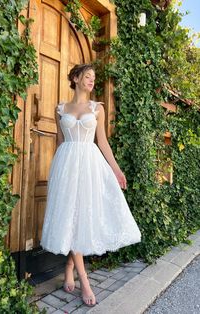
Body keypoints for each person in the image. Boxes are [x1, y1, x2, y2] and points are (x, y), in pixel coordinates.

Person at [40, 63, 141, 307]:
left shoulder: (97, 109)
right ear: (75, 78)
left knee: (82, 217)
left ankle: (71, 266)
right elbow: (60, 141)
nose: (91, 81)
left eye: (93, 78)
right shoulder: (60, 108)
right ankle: (84, 281)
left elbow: (103, 142)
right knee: (69, 216)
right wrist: (57, 172)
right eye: (87, 76)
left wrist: (117, 171)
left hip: (89, 166)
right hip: (65, 167)